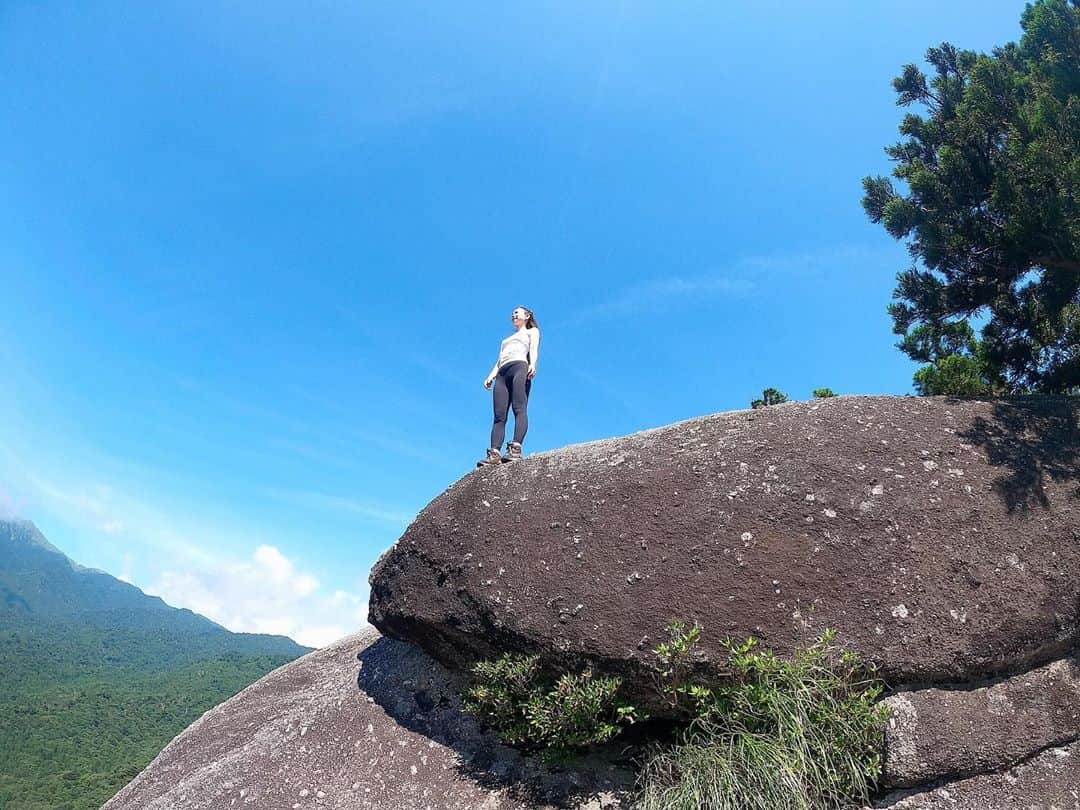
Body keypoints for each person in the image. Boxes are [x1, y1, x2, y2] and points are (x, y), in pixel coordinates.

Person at [480, 306, 540, 465]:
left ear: (527, 316)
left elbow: (533, 349)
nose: (513, 315)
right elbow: (499, 360)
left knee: (519, 408)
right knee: (499, 416)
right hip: (502, 374)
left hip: (520, 367)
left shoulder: (532, 331)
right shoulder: (505, 340)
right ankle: (494, 453)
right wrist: (491, 376)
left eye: (517, 312)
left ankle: (516, 447)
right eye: (512, 313)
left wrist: (533, 364)